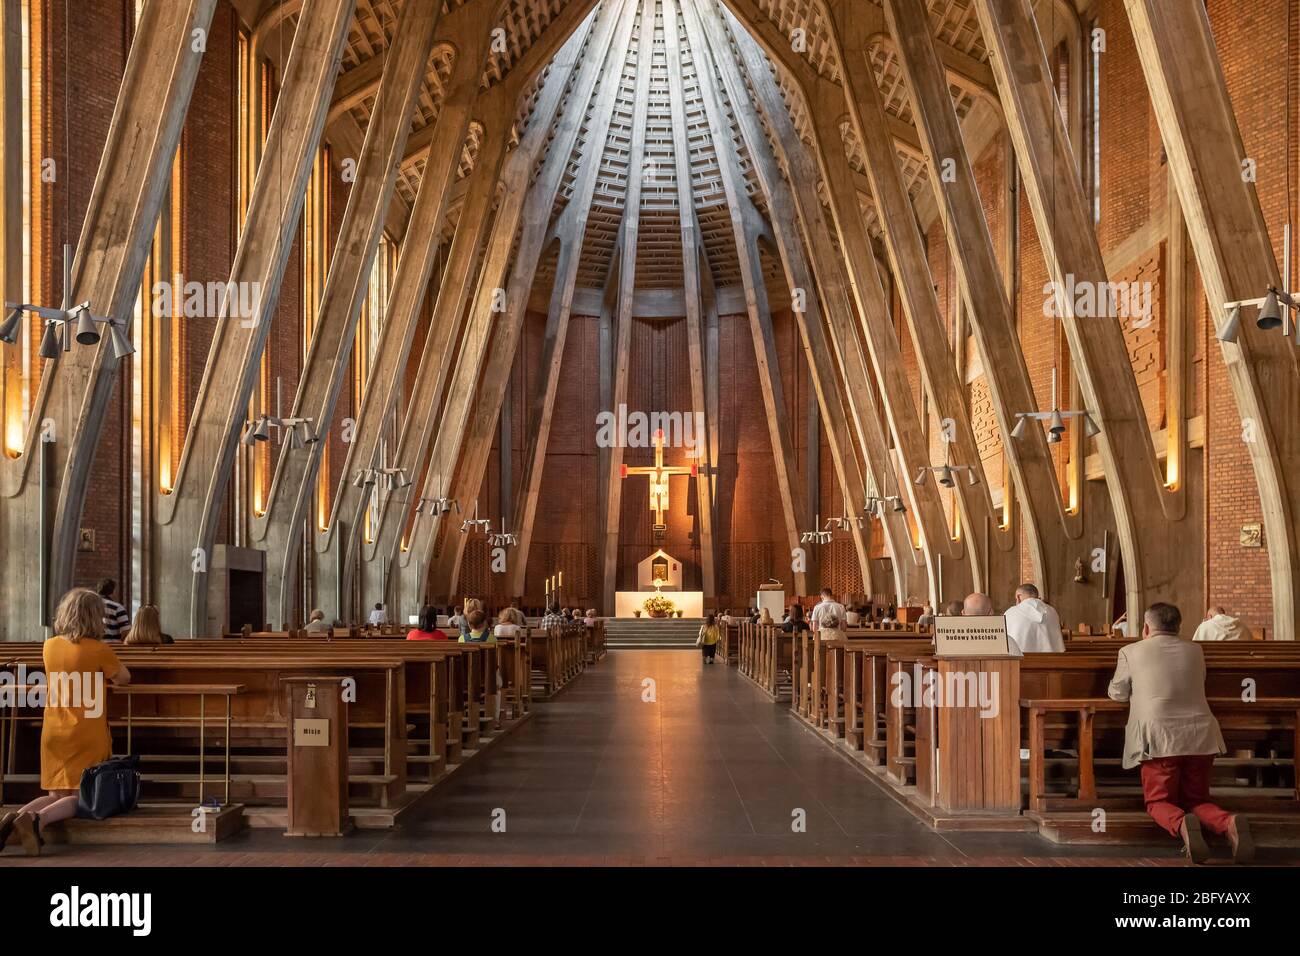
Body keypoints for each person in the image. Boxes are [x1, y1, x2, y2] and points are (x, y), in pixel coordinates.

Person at [1108, 603, 1250, 863]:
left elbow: (1117, 693)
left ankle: (1183, 825)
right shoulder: (1196, 650)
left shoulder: (1130, 651)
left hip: (1159, 738)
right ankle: (1228, 823)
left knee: (1157, 802)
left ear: (1146, 628)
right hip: (1201, 735)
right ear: (1179, 627)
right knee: (1196, 799)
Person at [0, 589, 131, 856]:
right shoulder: (99, 650)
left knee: (55, 794)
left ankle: (15, 818)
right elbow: (123, 678)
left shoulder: (50, 646)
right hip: (85, 729)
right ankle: (38, 821)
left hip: (54, 727)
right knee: (81, 797)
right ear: (95, 618)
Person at [1004, 583, 1065, 654]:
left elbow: (1004, 641)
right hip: (1051, 659)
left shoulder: (1010, 612)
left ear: (1018, 597)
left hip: (1021, 661)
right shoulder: (1052, 611)